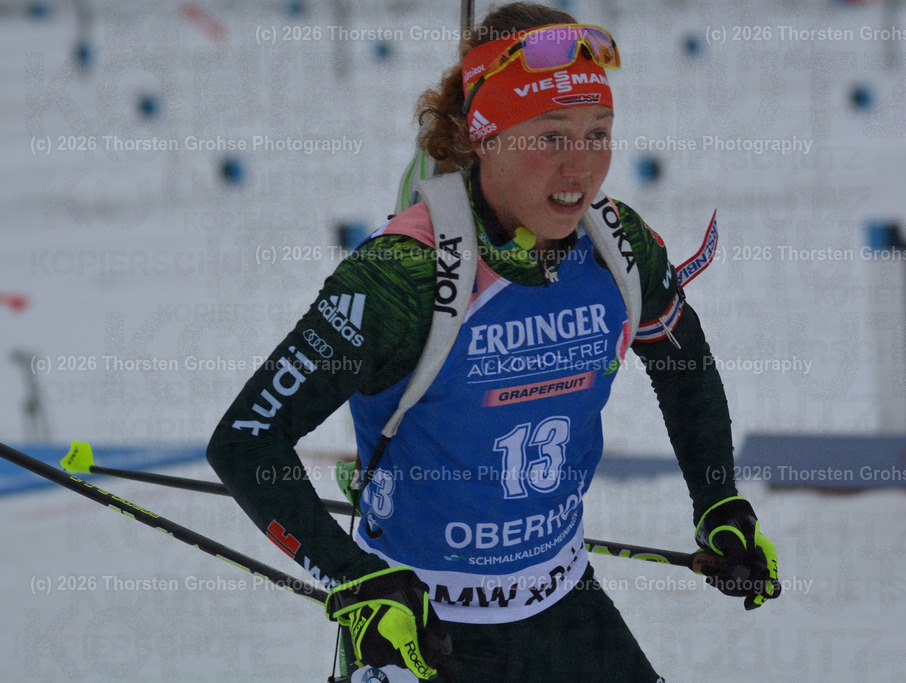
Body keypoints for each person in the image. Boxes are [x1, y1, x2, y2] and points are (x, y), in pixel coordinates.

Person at [207, 3, 780, 681]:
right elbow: (246, 438)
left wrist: (718, 500)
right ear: (485, 137)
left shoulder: (616, 245)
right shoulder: (404, 278)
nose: (580, 169)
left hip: (566, 607)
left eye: (599, 134)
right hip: (422, 628)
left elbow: (681, 358)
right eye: (549, 136)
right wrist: (354, 579)